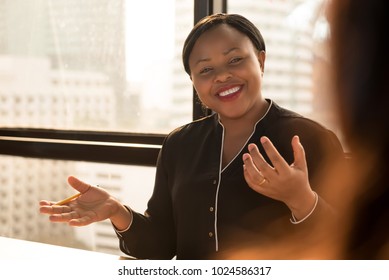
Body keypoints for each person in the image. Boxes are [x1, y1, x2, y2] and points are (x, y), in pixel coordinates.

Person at [39, 13, 344, 259]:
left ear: (261, 62)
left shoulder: (310, 139)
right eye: (205, 69)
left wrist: (302, 201)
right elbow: (160, 248)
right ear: (194, 83)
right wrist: (117, 212)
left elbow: (354, 250)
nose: (222, 75)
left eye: (235, 59)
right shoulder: (179, 144)